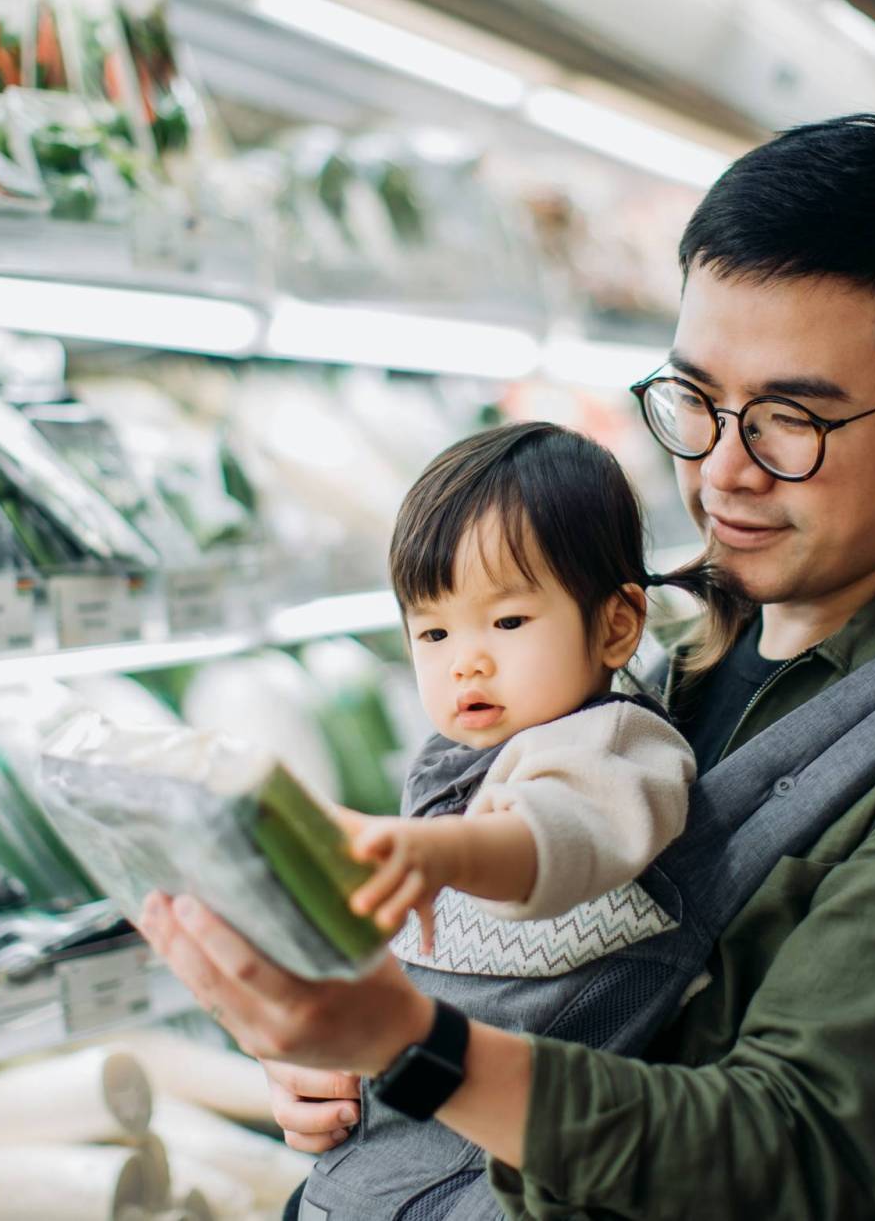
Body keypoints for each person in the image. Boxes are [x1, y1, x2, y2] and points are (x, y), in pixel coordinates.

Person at [138, 114, 875, 1220]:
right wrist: (352, 1069)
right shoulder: (659, 637)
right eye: (694, 400)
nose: (719, 472)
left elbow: (785, 1149)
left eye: (790, 422)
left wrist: (417, 1050)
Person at [305, 420, 747, 1216]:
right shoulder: (449, 759)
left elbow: (552, 836)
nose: (464, 659)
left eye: (507, 622)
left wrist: (440, 851)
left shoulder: (615, 744)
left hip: (506, 1173)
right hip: (400, 1141)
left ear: (616, 625)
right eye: (433, 632)